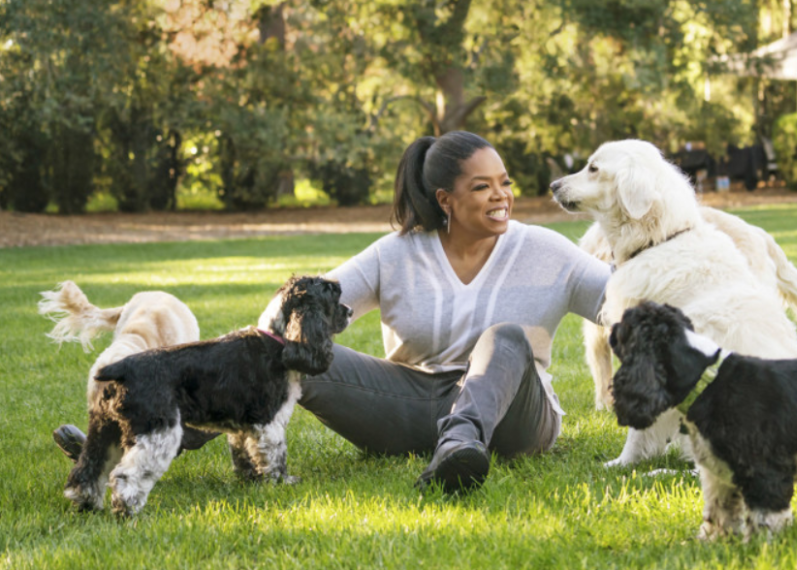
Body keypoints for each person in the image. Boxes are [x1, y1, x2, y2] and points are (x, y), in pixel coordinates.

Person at [56, 131, 610, 494]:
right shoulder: (399, 253)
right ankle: (153, 429)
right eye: (483, 187)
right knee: (290, 356)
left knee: (507, 337)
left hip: (514, 418)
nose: (502, 197)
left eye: (505, 184)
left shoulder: (547, 250)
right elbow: (291, 308)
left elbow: (624, 305)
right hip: (413, 405)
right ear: (445, 199)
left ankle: (461, 447)